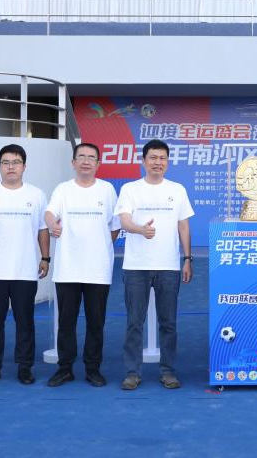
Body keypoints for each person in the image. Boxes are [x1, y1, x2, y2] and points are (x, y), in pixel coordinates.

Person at [115, 139, 195, 391]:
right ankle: (132, 372)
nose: (157, 162)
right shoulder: (130, 189)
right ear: (143, 161)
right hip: (136, 266)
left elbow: (183, 226)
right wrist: (140, 229)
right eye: (153, 157)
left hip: (168, 266)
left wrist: (187, 259)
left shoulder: (177, 190)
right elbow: (124, 221)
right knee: (134, 322)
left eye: (162, 158)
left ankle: (168, 371)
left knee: (168, 322)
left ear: (167, 162)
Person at [45, 142, 120, 388]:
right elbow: (49, 213)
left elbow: (114, 227)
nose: (86, 161)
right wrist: (52, 224)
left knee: (95, 322)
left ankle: (93, 368)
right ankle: (64, 368)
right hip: (67, 268)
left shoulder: (107, 190)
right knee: (66, 322)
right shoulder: (63, 189)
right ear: (73, 162)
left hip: (98, 269)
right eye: (81, 157)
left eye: (91, 157)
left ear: (98, 164)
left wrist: (99, 246)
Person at [0, 144, 49, 386]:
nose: (11, 167)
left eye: (16, 162)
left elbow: (42, 229)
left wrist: (45, 257)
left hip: (25, 271)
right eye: (5, 163)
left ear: (24, 166)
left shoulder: (36, 195)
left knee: (25, 322)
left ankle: (25, 367)